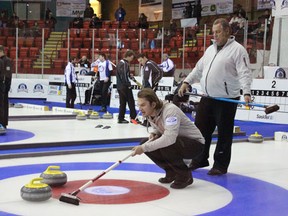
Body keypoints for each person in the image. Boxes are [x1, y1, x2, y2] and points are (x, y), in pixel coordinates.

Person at [178, 18, 252, 175]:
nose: (215, 35)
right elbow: (198, 69)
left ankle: (220, 165)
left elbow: (244, 72)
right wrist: (186, 82)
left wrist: (246, 92)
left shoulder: (238, 50)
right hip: (208, 97)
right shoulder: (210, 49)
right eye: (213, 32)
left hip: (226, 99)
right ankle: (199, 159)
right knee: (200, 130)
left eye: (218, 32)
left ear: (227, 31)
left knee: (224, 133)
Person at [132, 88, 205, 189]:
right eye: (138, 105)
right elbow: (161, 126)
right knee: (145, 142)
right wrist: (155, 132)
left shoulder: (170, 111)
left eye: (143, 105)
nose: (140, 108)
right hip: (178, 140)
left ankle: (185, 176)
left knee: (166, 144)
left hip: (195, 144)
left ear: (153, 104)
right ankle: (171, 172)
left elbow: (170, 138)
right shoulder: (150, 112)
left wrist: (144, 148)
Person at [116, 50, 139, 124]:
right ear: (129, 56)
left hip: (120, 86)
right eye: (131, 58)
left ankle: (121, 118)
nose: (132, 60)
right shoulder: (125, 64)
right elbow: (124, 76)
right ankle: (133, 118)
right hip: (125, 86)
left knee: (122, 103)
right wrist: (128, 84)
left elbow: (125, 74)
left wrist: (129, 75)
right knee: (131, 102)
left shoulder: (120, 63)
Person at [0, 45, 13, 129]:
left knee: (3, 105)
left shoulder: (7, 60)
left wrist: (6, 87)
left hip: (3, 86)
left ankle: (3, 123)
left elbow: (8, 75)